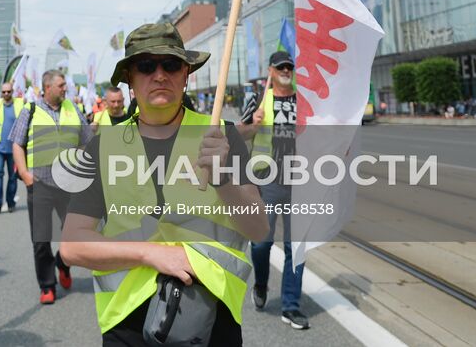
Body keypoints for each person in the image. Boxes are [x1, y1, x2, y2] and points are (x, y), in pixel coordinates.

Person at [60, 22, 267, 346]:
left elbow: (258, 229)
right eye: (146, 65)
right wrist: (150, 254)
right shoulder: (102, 147)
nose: (160, 75)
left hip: (211, 322)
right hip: (127, 325)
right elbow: (71, 246)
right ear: (130, 78)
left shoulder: (223, 137)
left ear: (186, 74)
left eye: (170, 65)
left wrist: (223, 179)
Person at [12, 69, 87, 305]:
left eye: (65, 84)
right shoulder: (30, 110)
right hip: (40, 183)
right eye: (62, 85)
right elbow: (17, 143)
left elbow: (87, 142)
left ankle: (63, 263)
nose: (66, 88)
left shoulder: (73, 109)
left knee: (75, 236)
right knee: (41, 239)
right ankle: (47, 285)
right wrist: (25, 174)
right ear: (48, 87)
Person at [249, 51, 308, 329]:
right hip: (269, 180)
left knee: (295, 247)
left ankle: (291, 305)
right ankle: (261, 284)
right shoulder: (260, 100)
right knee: (262, 243)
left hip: (301, 180)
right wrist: (254, 123)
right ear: (271, 71)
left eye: (290, 67)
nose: (286, 70)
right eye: (281, 66)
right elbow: (240, 134)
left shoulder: (305, 101)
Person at [0, 82, 24, 215]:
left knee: (13, 177)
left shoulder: (19, 104)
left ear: (12, 91)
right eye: (4, 92)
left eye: (8, 91)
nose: (6, 94)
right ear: (1, 93)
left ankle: (10, 202)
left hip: (15, 148)